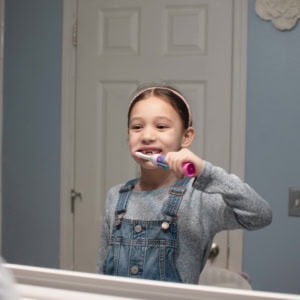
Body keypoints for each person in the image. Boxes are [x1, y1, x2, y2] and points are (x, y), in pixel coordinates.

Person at [96, 84, 272, 284]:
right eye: (137, 127)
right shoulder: (116, 196)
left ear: (186, 136)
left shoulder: (198, 198)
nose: (146, 136)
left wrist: (206, 171)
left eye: (161, 126)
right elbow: (102, 269)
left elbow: (261, 215)